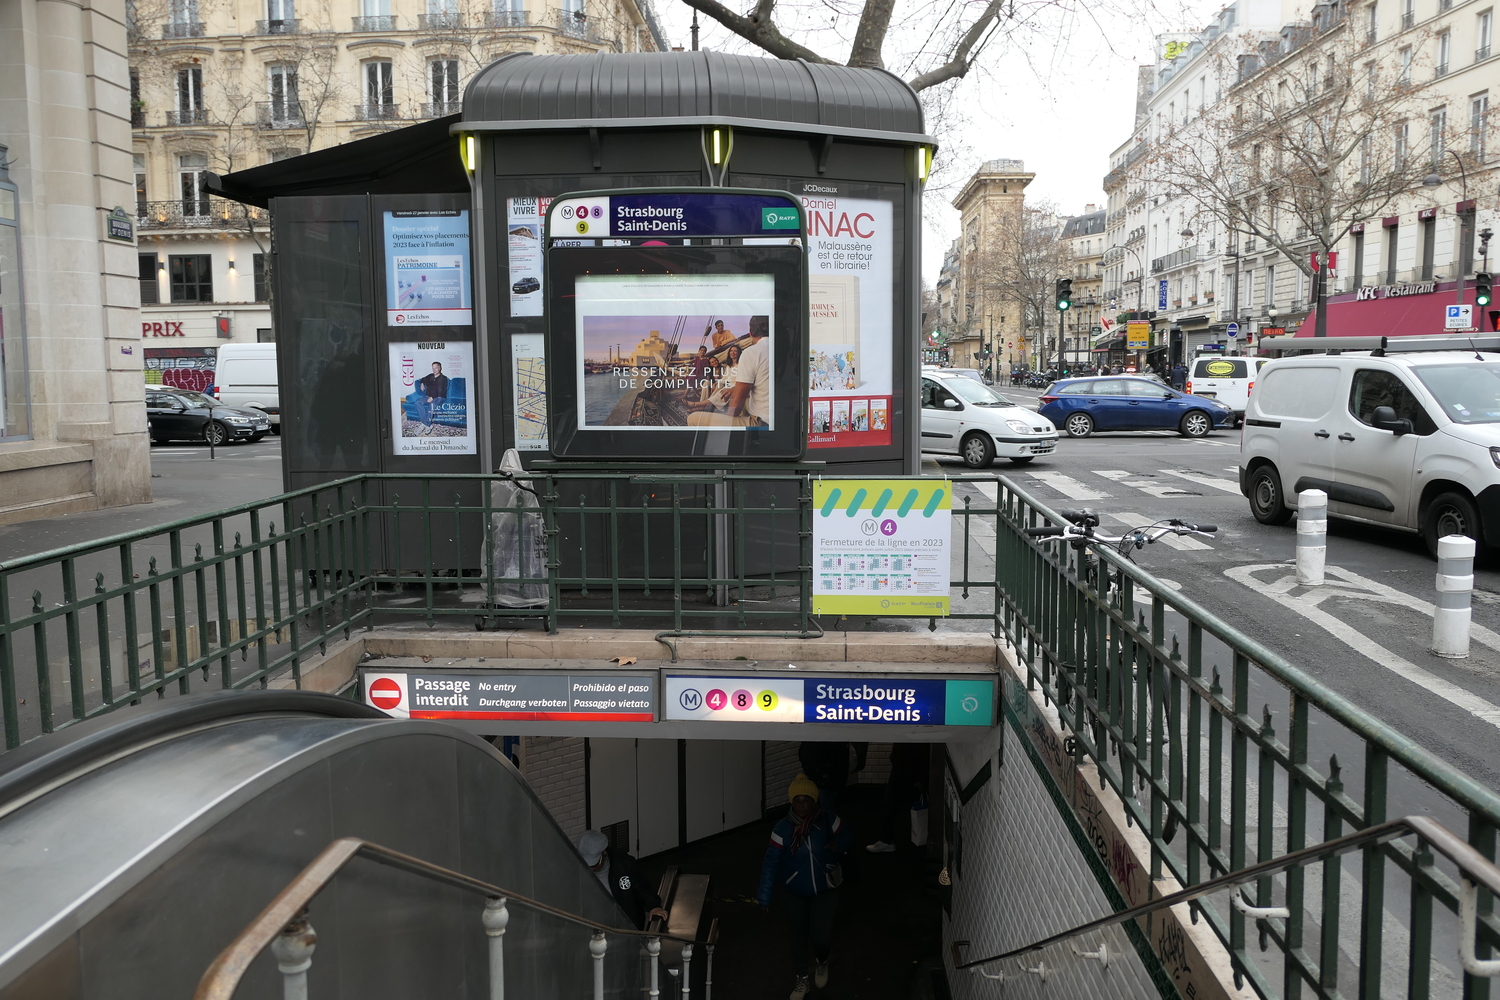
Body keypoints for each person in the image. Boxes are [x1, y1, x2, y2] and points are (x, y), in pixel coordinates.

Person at [759, 774, 852, 998]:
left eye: (806, 800)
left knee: (821, 936)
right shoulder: (782, 829)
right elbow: (771, 863)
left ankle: (821, 960)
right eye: (797, 800)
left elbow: (848, 835)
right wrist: (765, 896)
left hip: (825, 889)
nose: (801, 805)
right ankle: (802, 979)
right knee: (798, 936)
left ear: (814, 801)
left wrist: (837, 845)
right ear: (792, 802)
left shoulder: (828, 820)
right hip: (795, 892)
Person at [687, 315, 770, 427]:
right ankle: (703, 405)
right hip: (776, 420)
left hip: (762, 423)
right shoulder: (776, 348)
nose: (733, 353)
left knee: (693, 418)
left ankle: (702, 406)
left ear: (751, 332)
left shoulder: (752, 353)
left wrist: (725, 414)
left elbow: (734, 409)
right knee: (721, 389)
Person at [577, 830, 669, 929]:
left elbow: (642, 888)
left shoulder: (624, 864)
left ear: (604, 852)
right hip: (594, 927)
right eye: (586, 864)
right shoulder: (577, 869)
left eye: (594, 864)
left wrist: (654, 905)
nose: (591, 869)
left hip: (626, 926)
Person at [865, 743, 930, 853]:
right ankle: (915, 842)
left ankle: (888, 840)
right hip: (909, 766)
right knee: (901, 805)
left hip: (906, 766)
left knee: (891, 804)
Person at [798, 741, 867, 811]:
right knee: (826, 807)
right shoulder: (836, 740)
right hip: (828, 777)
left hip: (822, 775)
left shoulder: (817, 738)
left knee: (822, 807)